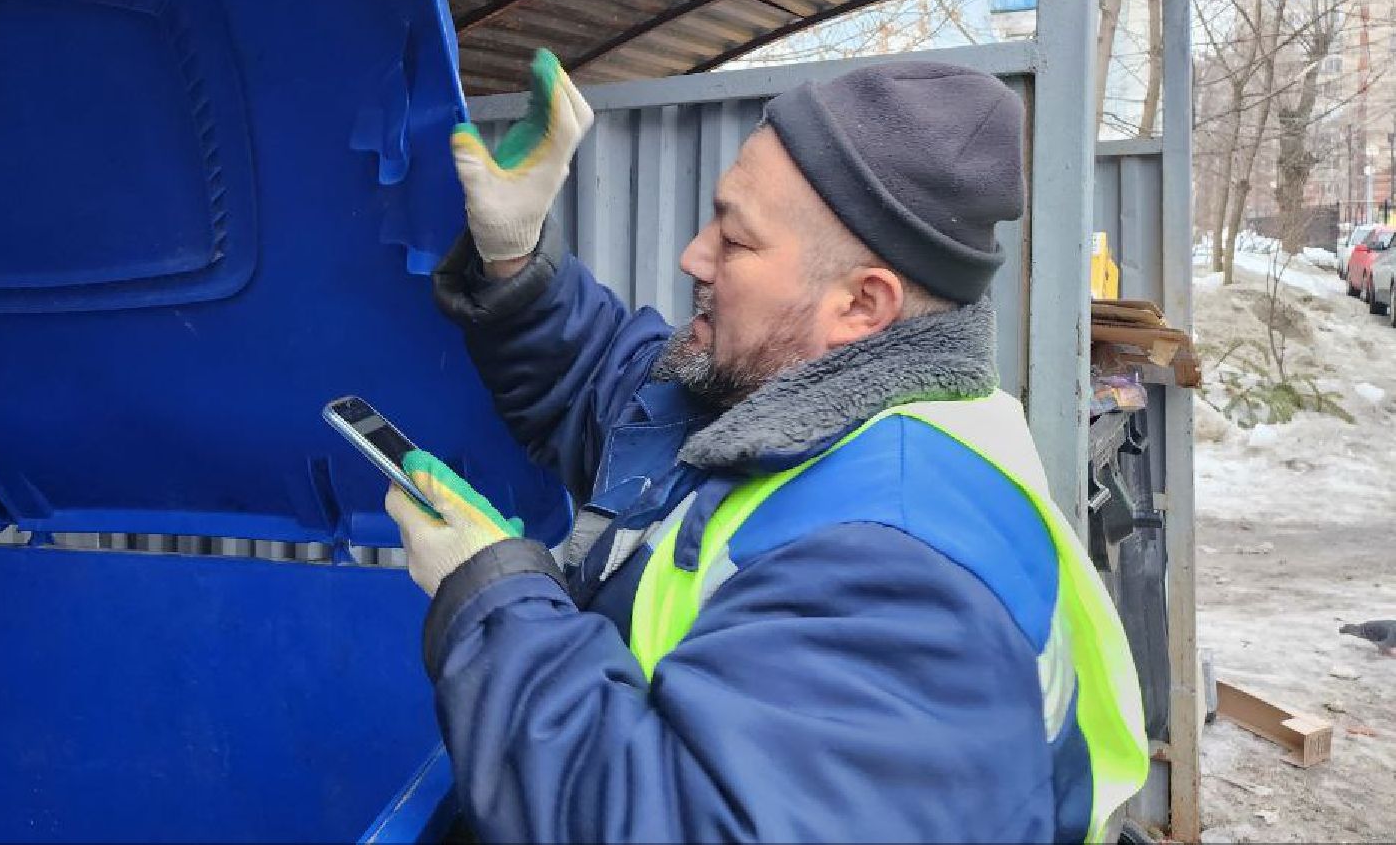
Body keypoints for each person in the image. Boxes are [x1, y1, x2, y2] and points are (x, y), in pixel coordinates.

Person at [385, 50, 1149, 844]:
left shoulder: (899, 577)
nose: (693, 256)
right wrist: (513, 254)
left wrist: (491, 602)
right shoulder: (792, 404)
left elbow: (674, 827)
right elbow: (623, 395)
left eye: (736, 240)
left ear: (861, 303)